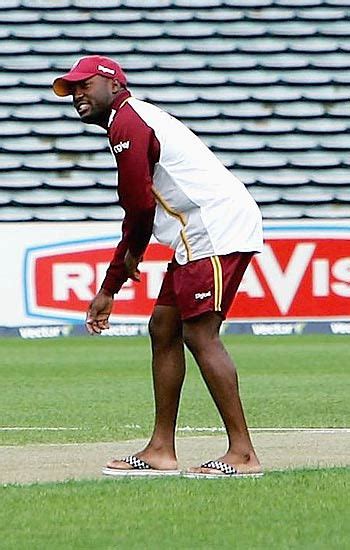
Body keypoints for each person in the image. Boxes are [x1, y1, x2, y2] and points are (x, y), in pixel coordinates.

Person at [53, 55, 264, 478]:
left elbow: (138, 205)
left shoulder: (129, 122)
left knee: (200, 332)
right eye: (70, 88)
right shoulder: (129, 121)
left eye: (84, 84)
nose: (76, 94)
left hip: (215, 228)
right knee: (164, 327)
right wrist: (115, 280)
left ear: (114, 85)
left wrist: (112, 281)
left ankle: (242, 453)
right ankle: (161, 450)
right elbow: (140, 208)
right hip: (195, 233)